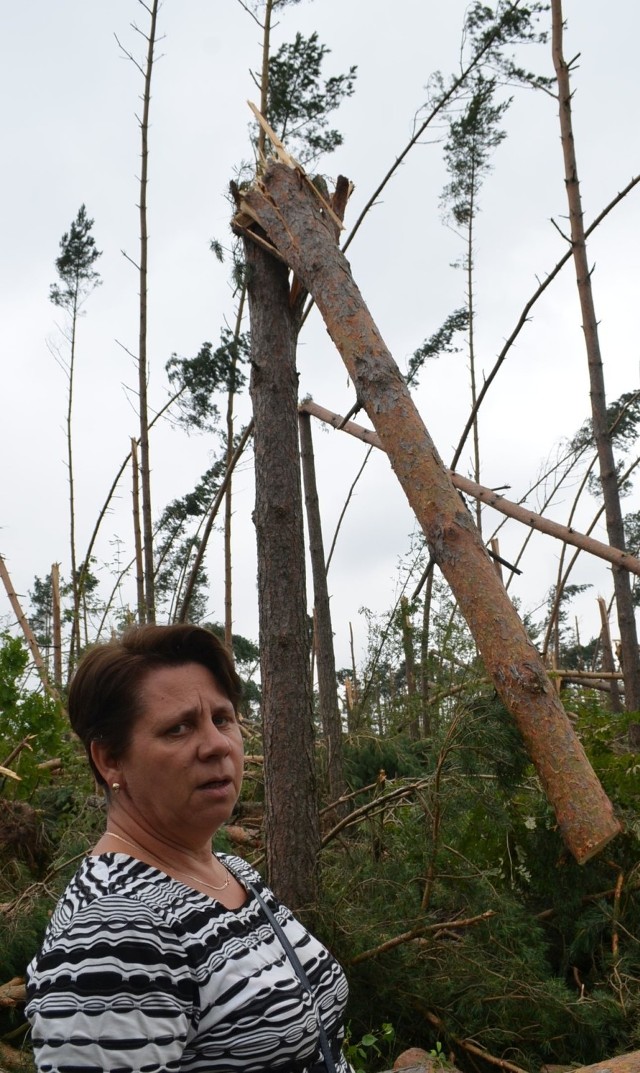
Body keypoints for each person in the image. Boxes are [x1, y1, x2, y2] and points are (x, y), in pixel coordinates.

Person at [26, 624, 350, 1073]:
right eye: (178, 728)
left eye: (222, 718)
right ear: (110, 760)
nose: (217, 744)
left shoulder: (235, 872)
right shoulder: (113, 932)